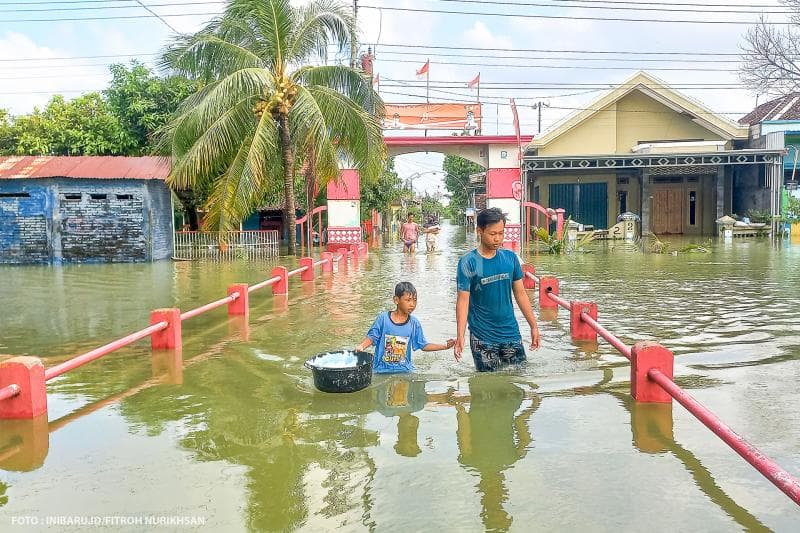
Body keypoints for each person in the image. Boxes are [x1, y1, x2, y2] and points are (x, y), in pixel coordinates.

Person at [454, 207, 541, 372]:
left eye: (501, 233)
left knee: (517, 382)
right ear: (480, 231)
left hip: (511, 334)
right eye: (493, 234)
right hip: (482, 337)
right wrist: (460, 335)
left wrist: (534, 326)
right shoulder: (468, 262)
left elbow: (520, 294)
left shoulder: (510, 258)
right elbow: (463, 301)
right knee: (487, 389)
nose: (498, 239)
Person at [357, 281, 455, 373]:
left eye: (415, 300)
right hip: (381, 370)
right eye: (408, 300)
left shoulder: (414, 323)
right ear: (396, 300)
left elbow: (423, 345)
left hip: (404, 371)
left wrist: (445, 346)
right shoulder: (383, 319)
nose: (412, 304)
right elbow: (372, 337)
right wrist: (362, 346)